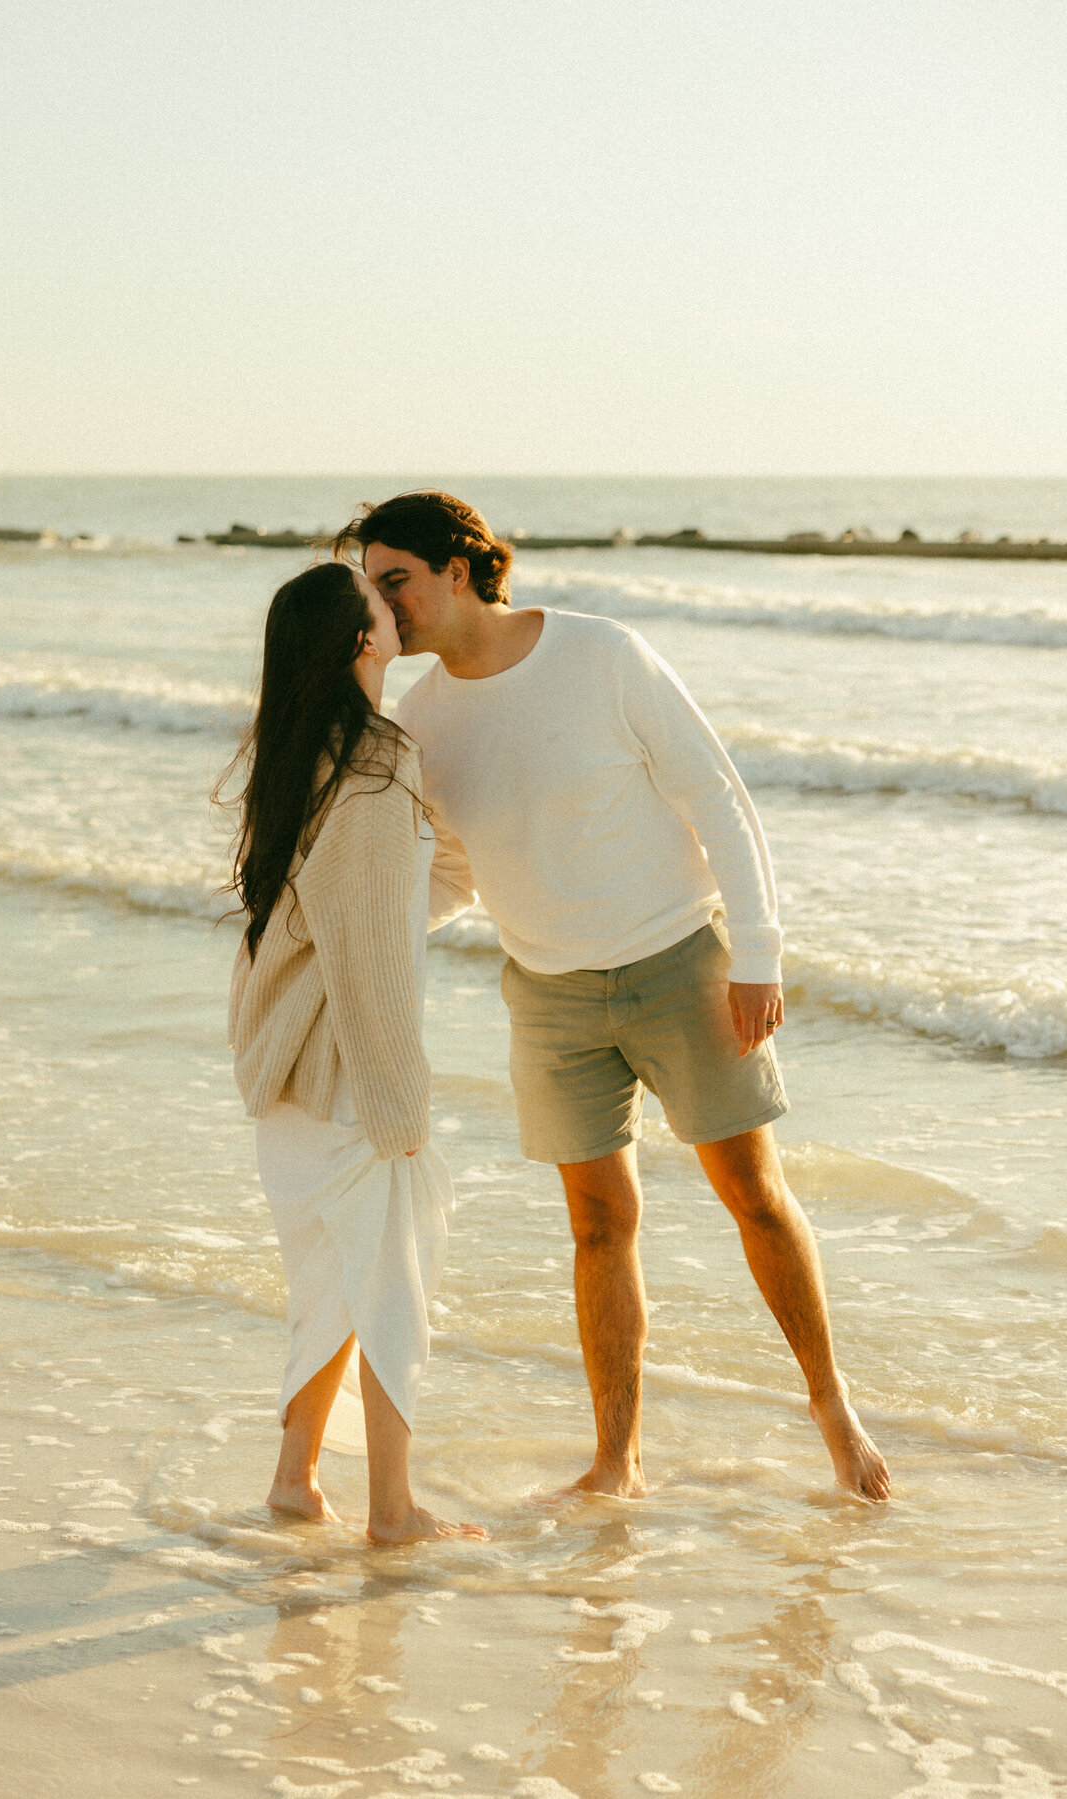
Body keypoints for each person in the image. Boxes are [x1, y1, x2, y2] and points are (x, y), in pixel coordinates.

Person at [335, 492, 891, 1505]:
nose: (381, 604)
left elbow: (713, 790)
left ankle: (832, 1407)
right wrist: (362, 938)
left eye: (394, 579)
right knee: (598, 1223)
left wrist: (759, 949)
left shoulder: (601, 655)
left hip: (681, 961)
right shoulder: (420, 721)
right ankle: (616, 1458)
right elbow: (454, 871)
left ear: (458, 569)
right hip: (548, 996)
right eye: (371, 586)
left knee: (753, 1197)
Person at [221, 559, 485, 1543]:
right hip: (341, 1077)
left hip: (283, 1070)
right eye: (380, 601)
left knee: (327, 1286)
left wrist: (432, 824)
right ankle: (393, 1506)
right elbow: (371, 961)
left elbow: (383, 903)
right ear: (363, 640)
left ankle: (295, 1479)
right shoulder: (374, 768)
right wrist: (399, 1106)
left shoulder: (307, 749)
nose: (395, 606)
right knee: (389, 1283)